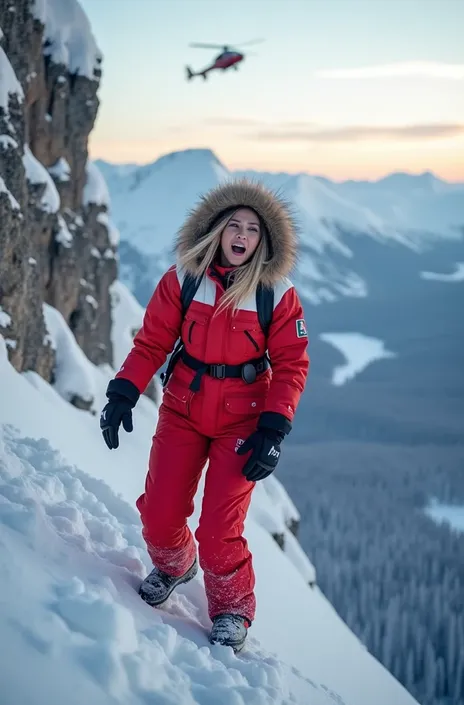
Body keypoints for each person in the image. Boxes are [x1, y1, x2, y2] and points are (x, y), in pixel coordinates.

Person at [100, 178, 309, 652]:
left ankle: (232, 607)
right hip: (183, 408)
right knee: (158, 514)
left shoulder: (275, 292)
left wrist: (275, 428)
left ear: (263, 240)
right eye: (233, 224)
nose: (241, 235)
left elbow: (293, 363)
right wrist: (123, 393)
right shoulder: (184, 278)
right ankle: (174, 565)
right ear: (216, 230)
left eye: (252, 229)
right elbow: (152, 341)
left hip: (245, 419)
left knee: (219, 528)